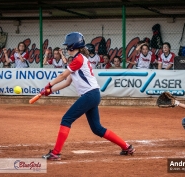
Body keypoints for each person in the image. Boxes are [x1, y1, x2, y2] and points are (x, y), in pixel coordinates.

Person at [41, 32, 135, 160]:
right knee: (97, 128)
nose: (67, 47)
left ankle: (55, 153)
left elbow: (62, 76)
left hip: (90, 95)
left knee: (66, 119)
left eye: (68, 45)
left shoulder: (79, 59)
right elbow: (67, 82)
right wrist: (50, 91)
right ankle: (126, 146)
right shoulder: (78, 59)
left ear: (73, 46)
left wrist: (48, 84)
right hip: (93, 95)